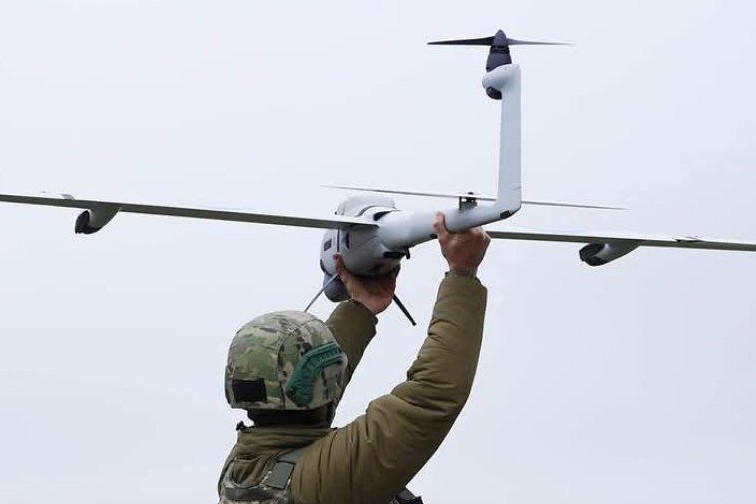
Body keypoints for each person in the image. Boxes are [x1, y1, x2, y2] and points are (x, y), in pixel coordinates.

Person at [218, 212, 491, 504]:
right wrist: (462, 274)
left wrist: (361, 307)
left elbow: (313, 388)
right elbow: (432, 395)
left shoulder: (243, 465)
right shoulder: (323, 483)